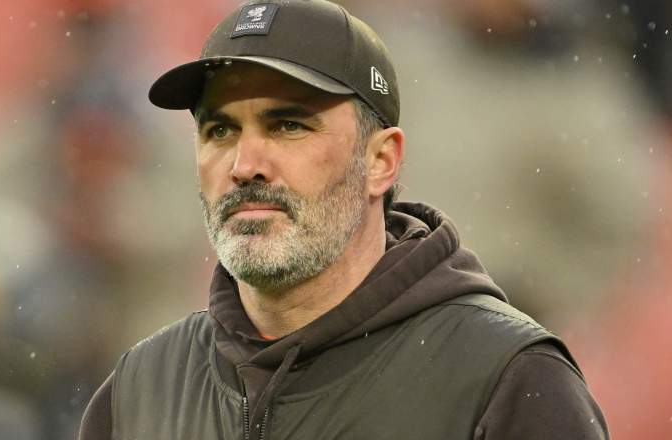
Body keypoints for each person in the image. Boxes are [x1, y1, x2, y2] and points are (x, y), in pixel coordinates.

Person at [78, 1, 608, 439]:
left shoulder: (508, 380)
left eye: (287, 125)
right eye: (219, 131)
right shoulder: (137, 390)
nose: (244, 165)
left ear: (380, 162)